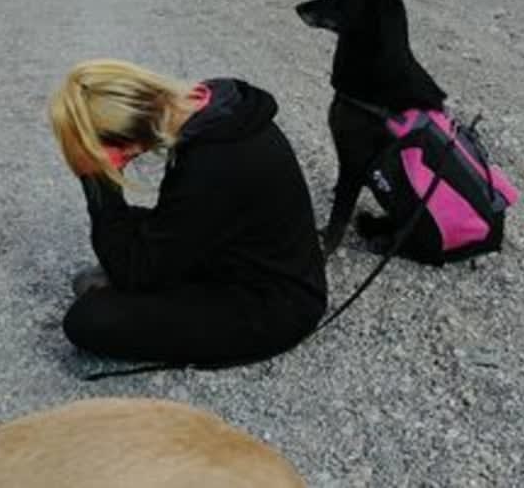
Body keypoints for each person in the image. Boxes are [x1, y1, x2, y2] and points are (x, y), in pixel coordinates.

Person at [48, 59, 327, 368]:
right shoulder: (212, 112)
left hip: (273, 306)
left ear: (125, 140)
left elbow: (135, 274)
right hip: (245, 256)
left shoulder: (210, 164)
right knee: (121, 248)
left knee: (87, 320)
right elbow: (185, 217)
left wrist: (98, 178)